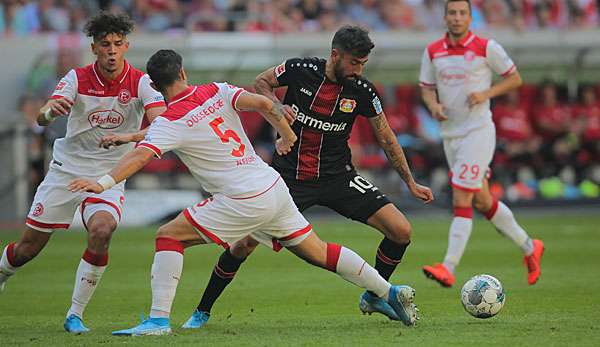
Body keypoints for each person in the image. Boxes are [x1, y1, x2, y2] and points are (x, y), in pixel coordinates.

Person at [67, 49, 420, 336]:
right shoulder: (216, 90)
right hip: (272, 185)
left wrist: (102, 184)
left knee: (168, 236)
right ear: (184, 73)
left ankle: (159, 321)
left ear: (156, 89)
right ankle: (389, 291)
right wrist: (286, 134)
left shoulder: (169, 121)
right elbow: (266, 104)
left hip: (242, 198)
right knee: (318, 252)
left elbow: (143, 155)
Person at [181, 25, 433, 329]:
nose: (358, 70)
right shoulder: (300, 70)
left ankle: (375, 295)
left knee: (400, 229)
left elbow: (386, 137)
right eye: (354, 63)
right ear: (335, 55)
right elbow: (261, 81)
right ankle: (202, 311)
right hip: (288, 181)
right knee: (242, 245)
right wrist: (275, 106)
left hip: (338, 177)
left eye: (362, 64)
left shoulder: (362, 90)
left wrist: (410, 181)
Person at [0, 12, 167, 334]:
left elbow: (161, 123)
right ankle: (3, 273)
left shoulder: (141, 82)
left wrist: (128, 137)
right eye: (105, 44)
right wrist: (50, 110)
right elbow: (43, 117)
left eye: (118, 44)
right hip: (66, 171)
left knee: (102, 231)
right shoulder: (76, 78)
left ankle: (75, 314)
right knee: (27, 249)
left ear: (126, 46)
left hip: (110, 174)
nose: (112, 50)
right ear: (94, 48)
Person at [418, 0, 544, 287]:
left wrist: (485, 93)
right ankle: (529, 246)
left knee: (462, 197)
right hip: (450, 135)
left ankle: (448, 267)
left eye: (463, 13)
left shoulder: (487, 47)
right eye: (452, 13)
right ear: (445, 17)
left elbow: (515, 79)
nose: (457, 18)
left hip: (478, 131)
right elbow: (426, 90)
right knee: (483, 200)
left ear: (471, 18)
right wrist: (433, 105)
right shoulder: (433, 51)